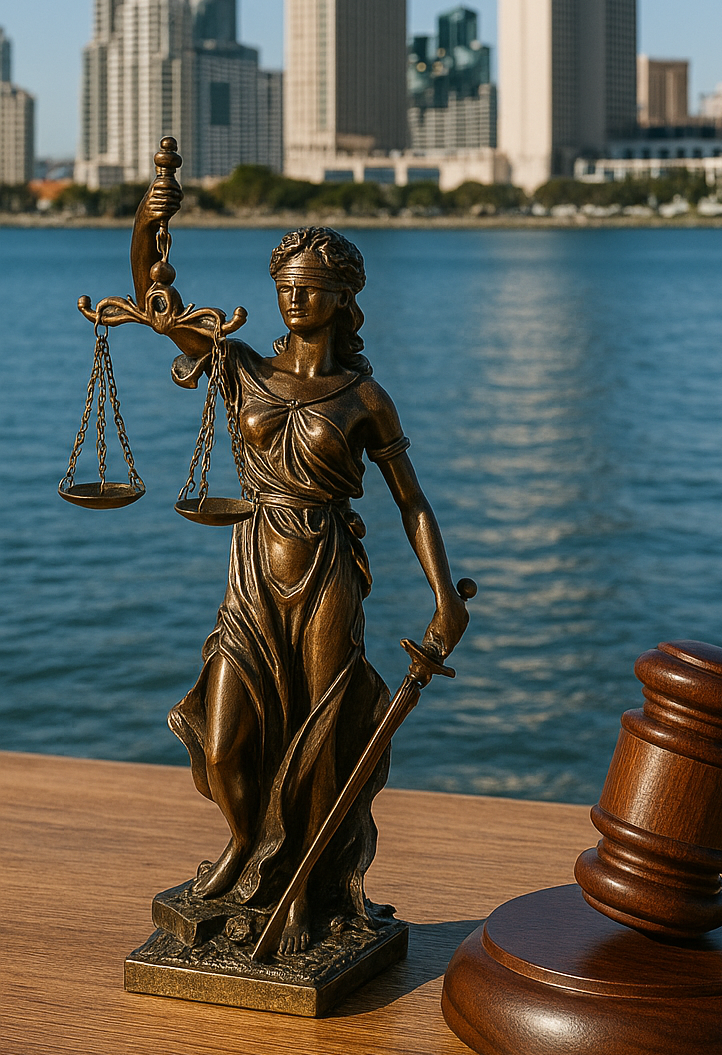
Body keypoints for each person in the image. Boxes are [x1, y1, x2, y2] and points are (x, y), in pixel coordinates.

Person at [130, 191, 469, 955]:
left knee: (320, 738)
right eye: (284, 284)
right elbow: (158, 304)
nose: (292, 298)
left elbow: (413, 504)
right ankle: (246, 849)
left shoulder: (364, 398)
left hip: (324, 575)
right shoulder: (239, 364)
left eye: (309, 286)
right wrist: (149, 221)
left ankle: (308, 891)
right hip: (250, 572)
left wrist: (445, 598)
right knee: (224, 744)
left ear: (344, 297)